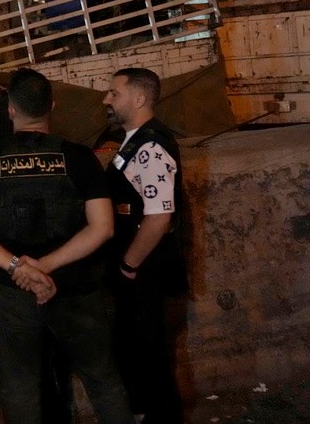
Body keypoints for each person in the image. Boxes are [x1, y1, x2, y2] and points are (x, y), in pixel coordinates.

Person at [0, 68, 132, 423]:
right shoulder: (79, 158)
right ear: (51, 106)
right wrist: (47, 267)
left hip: (15, 291)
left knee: (20, 388)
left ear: (10, 109)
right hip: (77, 287)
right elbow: (103, 227)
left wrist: (20, 268)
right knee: (103, 381)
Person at [103, 67, 187, 424]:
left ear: (139, 99)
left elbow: (158, 217)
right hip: (137, 266)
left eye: (114, 93)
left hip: (144, 268)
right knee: (136, 349)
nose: (106, 99)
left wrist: (128, 266)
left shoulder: (150, 146)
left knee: (148, 353)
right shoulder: (135, 141)